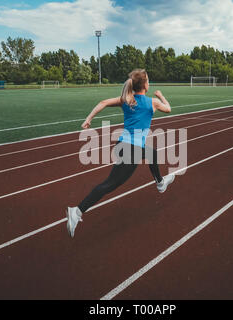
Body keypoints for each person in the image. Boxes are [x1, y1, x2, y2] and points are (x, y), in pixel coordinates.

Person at [66, 69, 176, 238]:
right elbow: (168, 109)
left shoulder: (127, 100)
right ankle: (77, 211)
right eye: (148, 80)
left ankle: (160, 183)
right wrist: (161, 95)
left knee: (152, 153)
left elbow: (102, 102)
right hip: (131, 150)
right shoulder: (152, 102)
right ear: (145, 85)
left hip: (123, 146)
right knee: (110, 184)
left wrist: (89, 118)